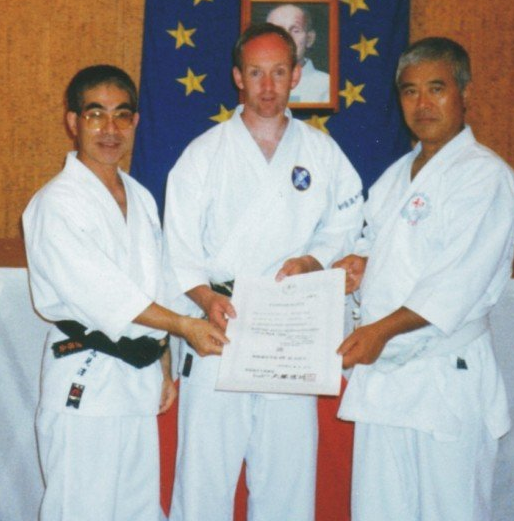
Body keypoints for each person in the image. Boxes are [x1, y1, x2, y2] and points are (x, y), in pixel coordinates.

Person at [163, 23, 363, 521]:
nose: (268, 86)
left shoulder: (321, 152)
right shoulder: (203, 154)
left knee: (287, 483)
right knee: (204, 480)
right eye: (256, 73)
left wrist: (313, 260)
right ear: (238, 77)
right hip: (220, 324)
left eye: (278, 72)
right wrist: (205, 298)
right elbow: (178, 251)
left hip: (290, 330)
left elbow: (347, 223)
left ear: (296, 75)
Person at [22, 65, 227, 521]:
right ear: (73, 122)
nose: (110, 129)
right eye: (96, 114)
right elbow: (103, 293)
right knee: (80, 510)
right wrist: (183, 326)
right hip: (87, 380)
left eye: (121, 115)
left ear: (135, 122)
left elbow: (160, 281)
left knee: (137, 511)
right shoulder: (56, 204)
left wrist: (165, 359)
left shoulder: (140, 197)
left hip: (137, 382)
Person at [334, 37, 514, 521]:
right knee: (378, 510)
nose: (422, 104)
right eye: (410, 91)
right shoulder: (397, 175)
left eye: (436, 89)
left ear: (465, 92)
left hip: (444, 377)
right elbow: (379, 242)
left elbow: (455, 282)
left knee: (450, 511)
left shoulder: (485, 177)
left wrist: (379, 331)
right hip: (385, 381)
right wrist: (361, 263)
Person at [266, 3, 330, 103]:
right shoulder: (251, 83)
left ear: (309, 39)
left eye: (295, 30)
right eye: (277, 31)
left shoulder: (328, 86)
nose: (287, 38)